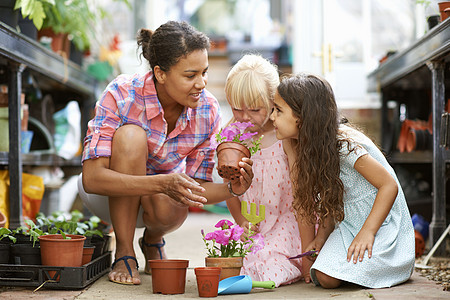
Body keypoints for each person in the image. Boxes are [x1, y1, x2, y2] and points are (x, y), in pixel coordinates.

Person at [78, 21, 254, 285]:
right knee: (131, 136)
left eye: (204, 72)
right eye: (190, 75)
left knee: (174, 197)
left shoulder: (206, 110)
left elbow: (198, 186)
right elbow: (92, 179)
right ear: (160, 74)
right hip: (104, 196)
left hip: (160, 203)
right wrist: (162, 182)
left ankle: (152, 239)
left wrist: (234, 189)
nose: (201, 83)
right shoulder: (122, 93)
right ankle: (124, 252)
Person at [270, 73, 415, 289]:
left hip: (380, 223)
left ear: (302, 118)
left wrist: (368, 232)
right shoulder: (303, 146)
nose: (271, 116)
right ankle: (353, 266)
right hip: (348, 225)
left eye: (278, 110)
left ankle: (383, 262)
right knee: (324, 277)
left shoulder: (343, 145)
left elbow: (389, 185)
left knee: (333, 274)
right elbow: (331, 197)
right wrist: (321, 238)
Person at [223, 54, 303, 287]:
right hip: (253, 224)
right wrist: (242, 224)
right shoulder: (234, 136)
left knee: (269, 266)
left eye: (255, 110)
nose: (245, 117)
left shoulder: (284, 134)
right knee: (233, 264)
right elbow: (230, 188)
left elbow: (301, 191)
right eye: (237, 109)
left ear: (273, 101)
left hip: (288, 221)